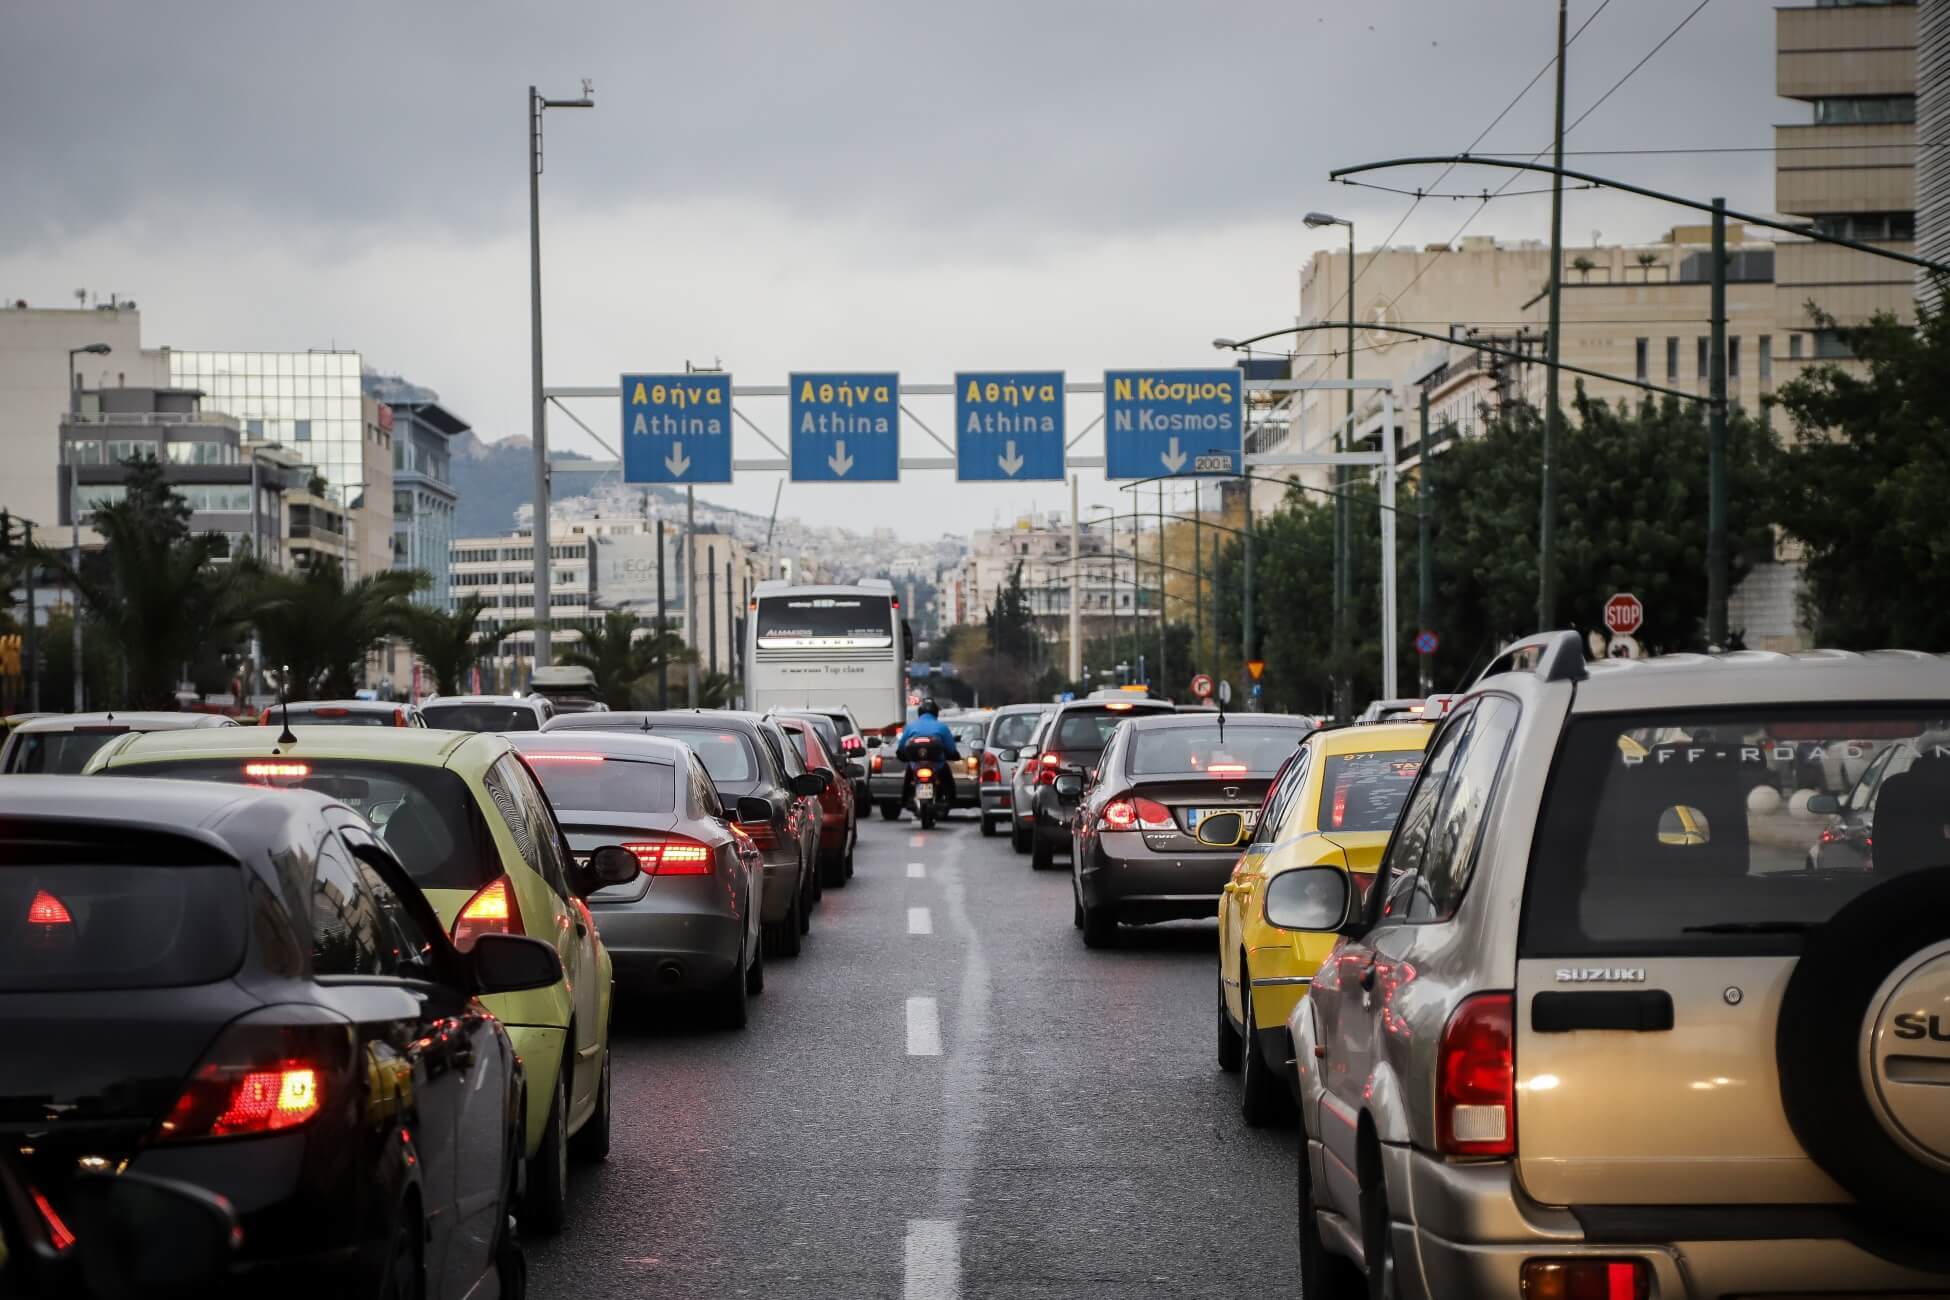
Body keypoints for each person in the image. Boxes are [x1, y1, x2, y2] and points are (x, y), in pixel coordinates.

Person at [894, 699, 961, 762]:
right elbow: (951, 749)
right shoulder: (942, 727)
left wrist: (902, 755)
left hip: (915, 763)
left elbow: (901, 747)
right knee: (946, 773)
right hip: (937, 763)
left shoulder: (910, 726)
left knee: (909, 772)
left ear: (919, 712)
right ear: (936, 713)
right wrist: (954, 755)